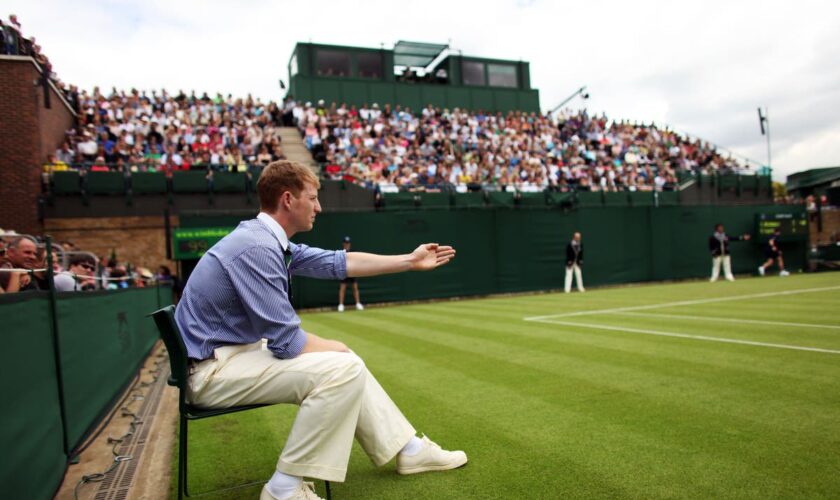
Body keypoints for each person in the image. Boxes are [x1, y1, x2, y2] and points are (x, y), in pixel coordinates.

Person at [175, 160, 466, 500]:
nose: (319, 207)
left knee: (345, 361)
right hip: (211, 372)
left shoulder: (267, 239)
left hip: (231, 357)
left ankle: (409, 449)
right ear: (288, 199)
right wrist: (335, 347)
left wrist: (408, 260)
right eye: (312, 198)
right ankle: (284, 488)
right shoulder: (256, 247)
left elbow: (337, 263)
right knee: (343, 365)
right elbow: (286, 341)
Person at [337, 236, 364, 312]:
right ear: (343, 244)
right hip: (343, 272)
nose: (347, 244)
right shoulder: (340, 252)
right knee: (342, 288)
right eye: (345, 243)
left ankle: (358, 304)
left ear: (350, 244)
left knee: (355, 288)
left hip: (352, 272)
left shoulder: (353, 252)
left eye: (348, 243)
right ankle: (341, 305)